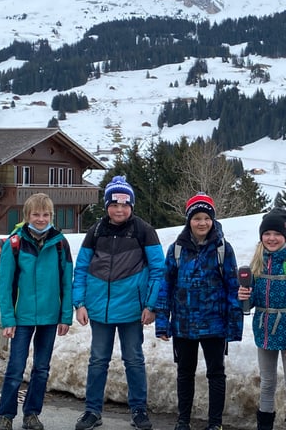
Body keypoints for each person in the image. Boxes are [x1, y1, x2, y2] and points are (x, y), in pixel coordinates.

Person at [72, 176, 164, 430]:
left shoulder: (144, 231)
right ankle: (92, 411)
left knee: (134, 360)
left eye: (124, 205)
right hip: (99, 310)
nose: (119, 209)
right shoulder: (96, 231)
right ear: (107, 206)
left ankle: (139, 410)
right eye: (114, 204)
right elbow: (81, 269)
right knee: (98, 360)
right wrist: (79, 303)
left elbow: (158, 270)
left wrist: (151, 305)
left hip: (133, 310)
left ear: (132, 206)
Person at [155, 193, 243, 430]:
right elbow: (166, 286)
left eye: (206, 218)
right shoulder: (176, 249)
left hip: (215, 324)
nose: (202, 223)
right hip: (183, 325)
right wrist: (162, 321)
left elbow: (232, 287)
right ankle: (183, 420)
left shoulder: (223, 249)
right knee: (184, 372)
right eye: (197, 218)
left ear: (213, 220)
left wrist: (234, 326)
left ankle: (215, 423)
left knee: (216, 373)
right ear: (189, 220)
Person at [0, 193, 73, 430]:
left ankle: (31, 414)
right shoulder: (15, 243)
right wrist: (8, 318)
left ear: (51, 215)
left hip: (50, 316)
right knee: (16, 368)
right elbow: (5, 285)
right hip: (22, 317)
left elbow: (67, 281)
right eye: (36, 214)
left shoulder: (60, 243)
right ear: (27, 215)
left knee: (41, 369)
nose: (41, 219)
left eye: (45, 214)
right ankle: (5, 416)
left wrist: (65, 316)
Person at [237, 207, 286, 430]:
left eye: (277, 234)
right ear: (261, 236)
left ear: (285, 235)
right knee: (267, 383)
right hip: (264, 330)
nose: (271, 238)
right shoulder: (257, 263)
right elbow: (251, 302)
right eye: (267, 233)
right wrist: (243, 296)